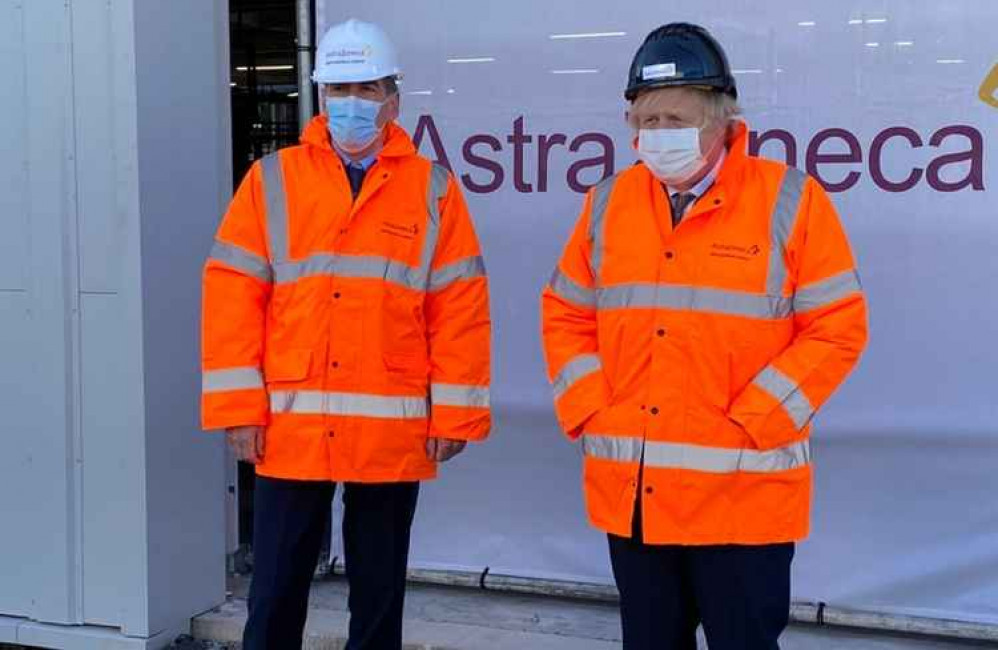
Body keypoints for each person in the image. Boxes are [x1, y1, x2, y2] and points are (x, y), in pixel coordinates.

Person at [541, 22, 868, 650]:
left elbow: (839, 326)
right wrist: (590, 408)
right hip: (637, 498)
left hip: (741, 499)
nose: (657, 135)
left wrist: (758, 419)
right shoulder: (608, 203)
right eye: (646, 119)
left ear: (722, 118)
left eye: (675, 119)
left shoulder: (790, 201)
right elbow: (565, 311)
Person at [201, 18, 491, 650]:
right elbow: (231, 298)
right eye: (340, 89)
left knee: (379, 592)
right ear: (320, 94)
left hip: (389, 429)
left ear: (393, 98)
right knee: (275, 589)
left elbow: (459, 305)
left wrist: (456, 416)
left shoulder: (432, 190)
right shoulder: (272, 180)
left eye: (367, 89)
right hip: (291, 426)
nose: (352, 103)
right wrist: (237, 410)